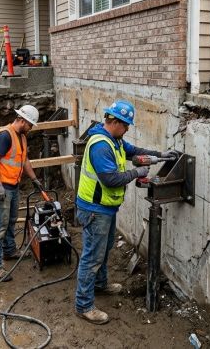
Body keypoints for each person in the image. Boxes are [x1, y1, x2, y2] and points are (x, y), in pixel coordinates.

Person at [75, 99, 177, 324]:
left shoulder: (115, 140)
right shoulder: (101, 146)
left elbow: (135, 151)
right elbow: (110, 180)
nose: (128, 129)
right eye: (126, 125)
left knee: (104, 249)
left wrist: (161, 155)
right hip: (94, 210)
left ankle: (100, 284)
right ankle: (83, 305)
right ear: (115, 122)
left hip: (105, 208)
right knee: (92, 257)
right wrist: (137, 172)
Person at [0, 104, 43, 281]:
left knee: (10, 219)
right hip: (0, 186)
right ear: (22, 120)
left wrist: (34, 179)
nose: (31, 128)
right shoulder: (5, 135)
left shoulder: (22, 137)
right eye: (30, 124)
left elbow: (24, 160)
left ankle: (9, 250)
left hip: (12, 184)